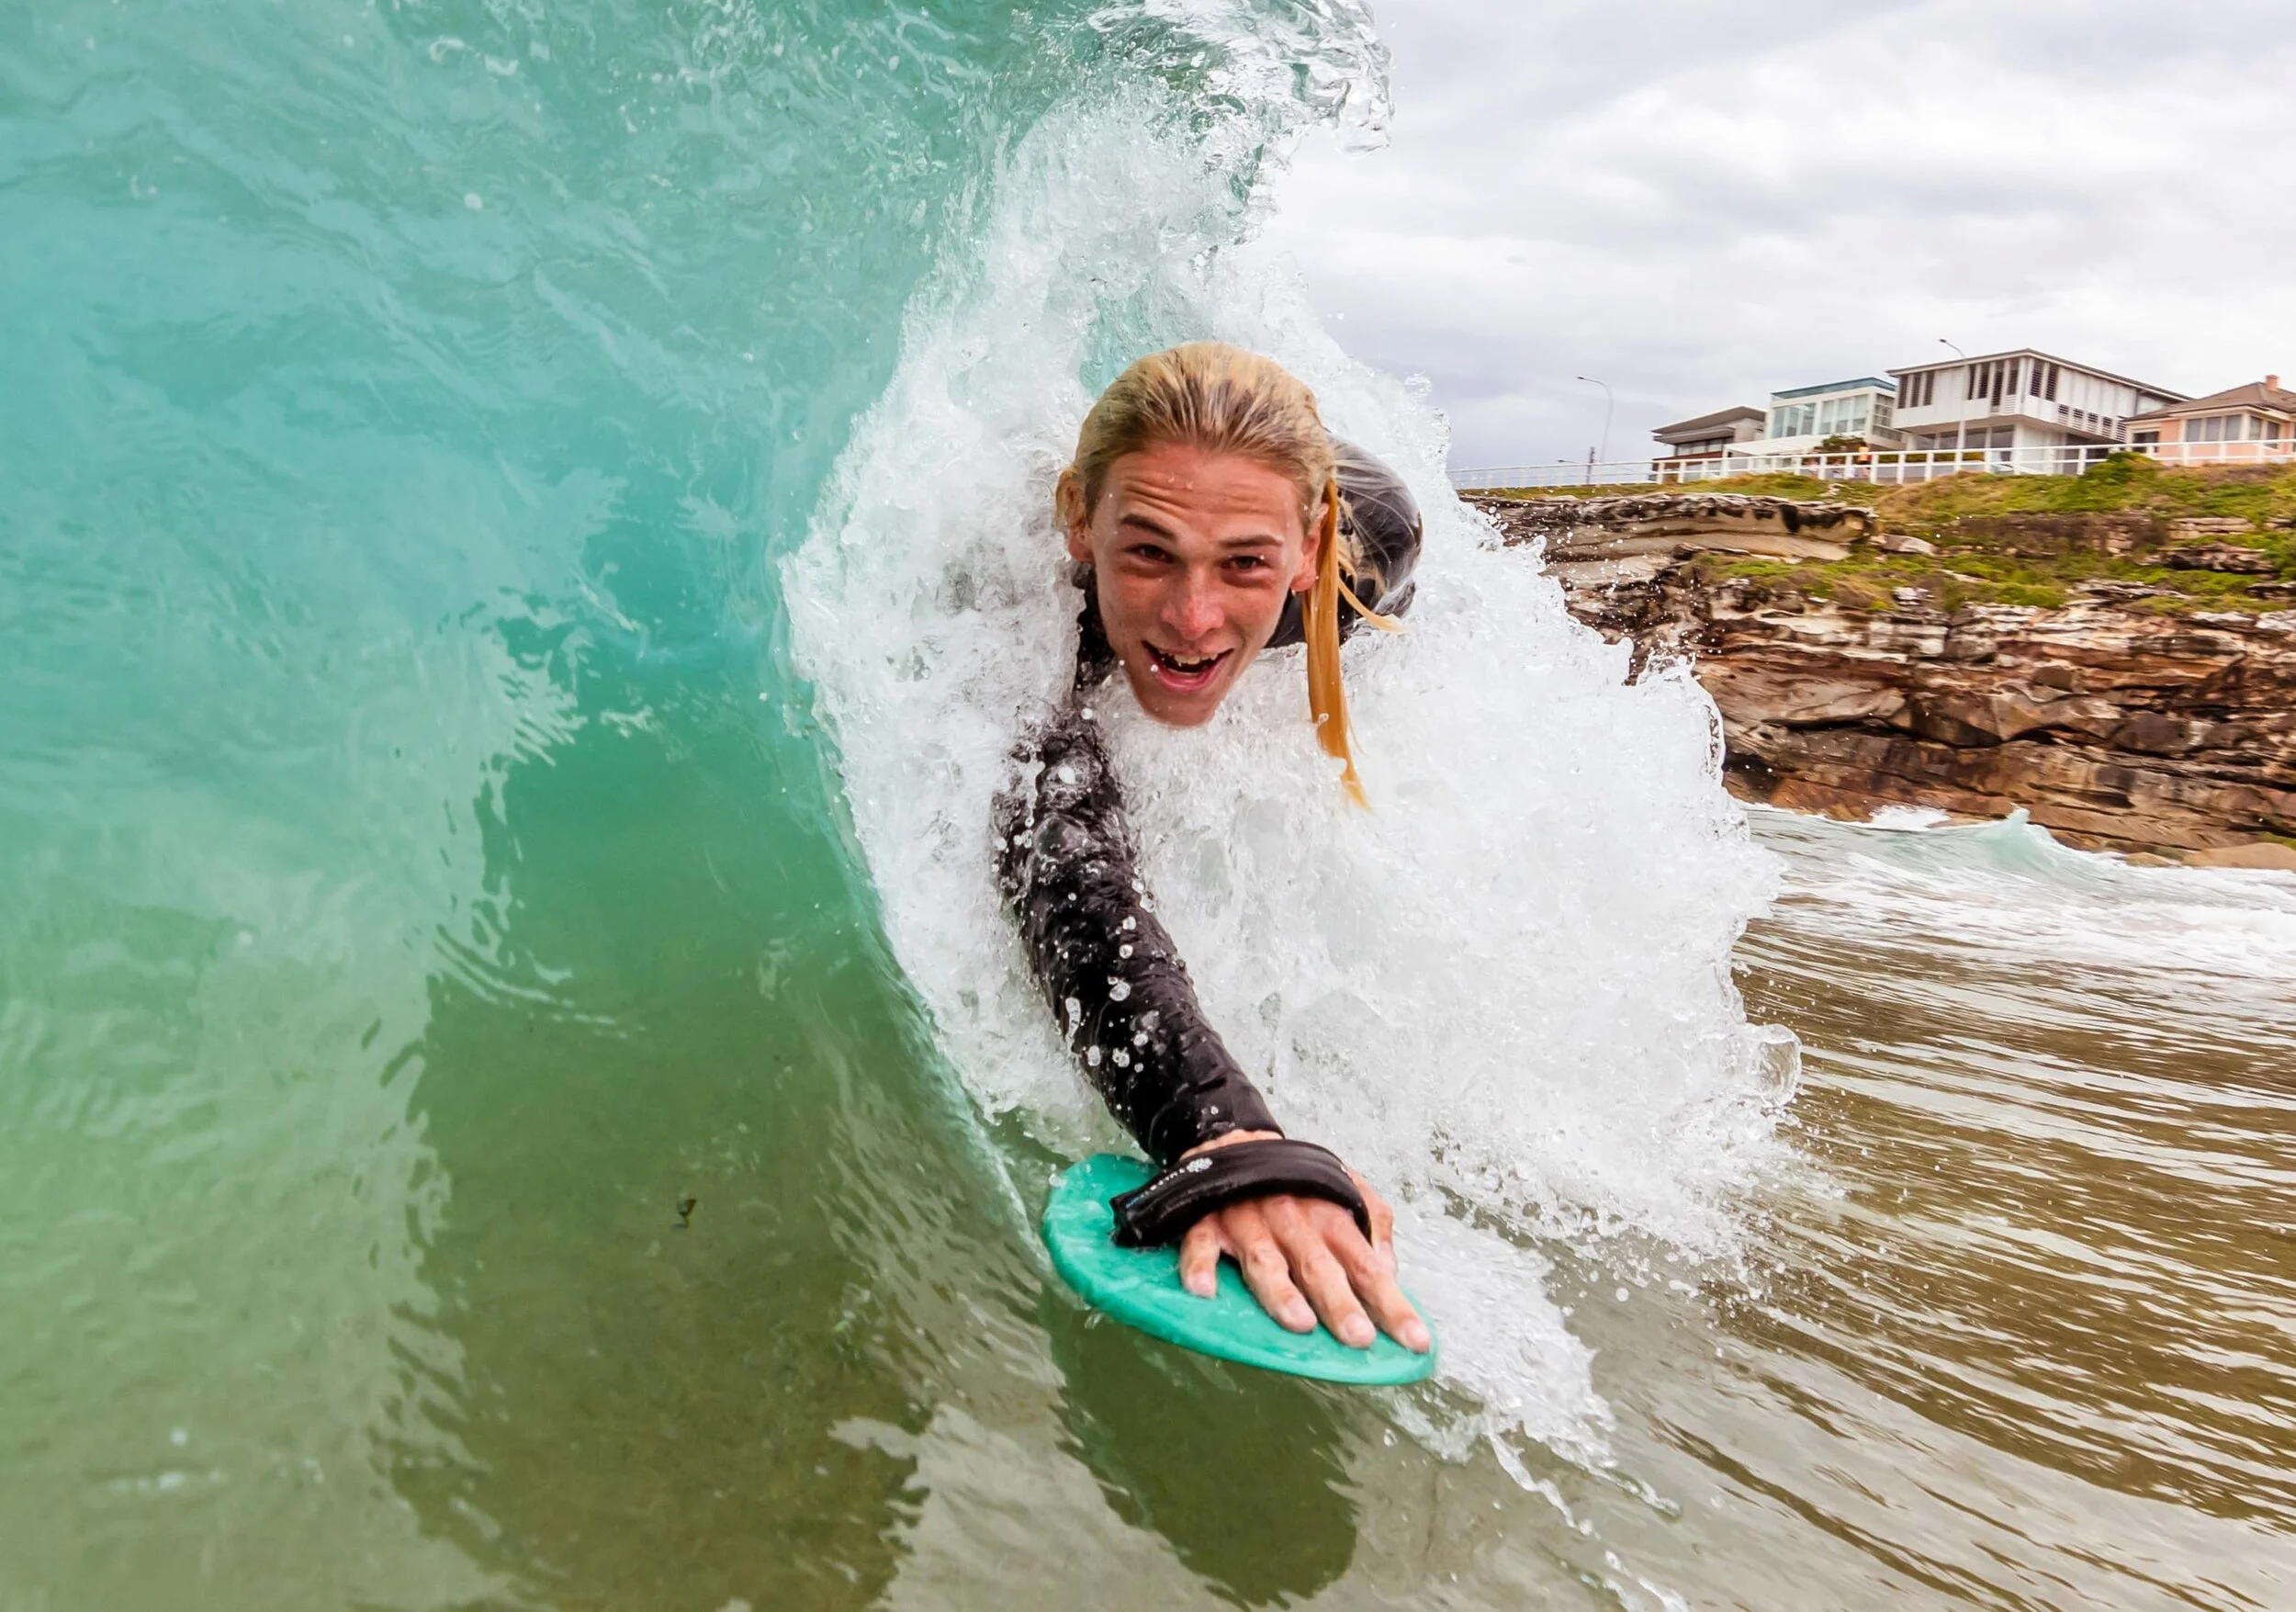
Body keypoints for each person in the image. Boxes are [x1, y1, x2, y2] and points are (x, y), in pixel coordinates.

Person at [995, 342, 1432, 1354]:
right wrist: (1215, 1129)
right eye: (1145, 553)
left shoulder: (1373, 548)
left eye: (1244, 565)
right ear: (1078, 521)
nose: (1192, 618)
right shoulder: (1025, 593)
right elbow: (1059, 850)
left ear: (1308, 548)